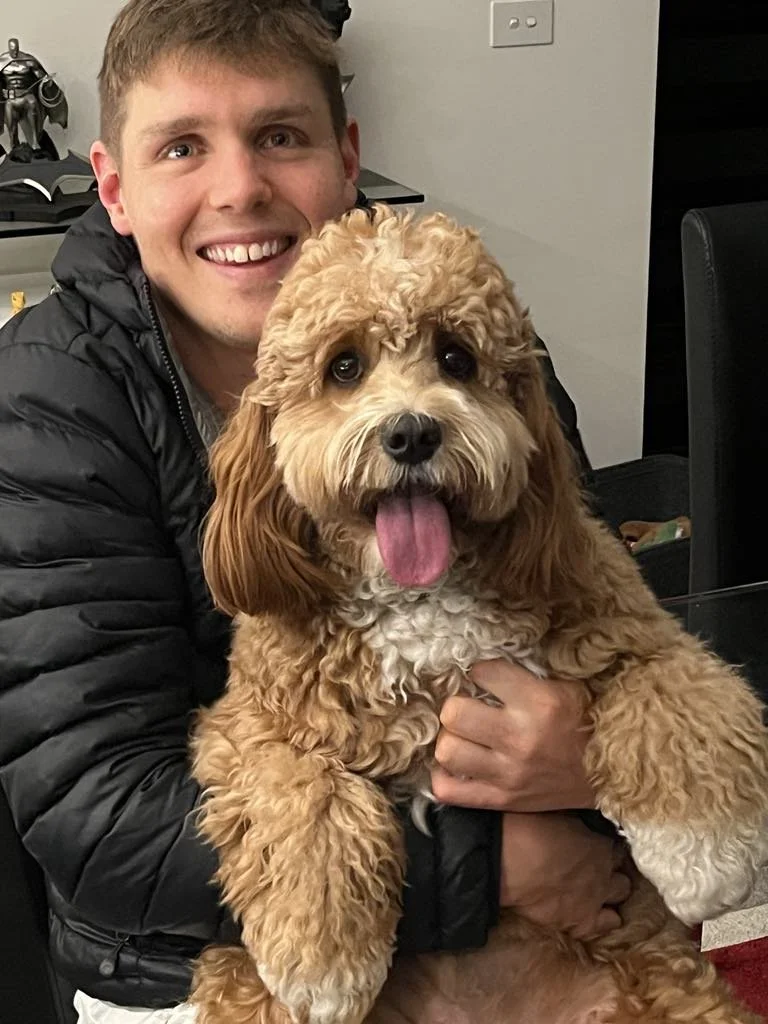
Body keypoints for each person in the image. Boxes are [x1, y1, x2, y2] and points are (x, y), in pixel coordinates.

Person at [0, 1, 630, 1021]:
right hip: (203, 950)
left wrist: (592, 753)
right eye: (183, 148)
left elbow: (596, 604)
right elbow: (98, 815)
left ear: (346, 158)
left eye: (279, 137)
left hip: (528, 910)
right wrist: (489, 868)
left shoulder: (470, 337)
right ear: (112, 185)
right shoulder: (46, 400)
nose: (240, 189)